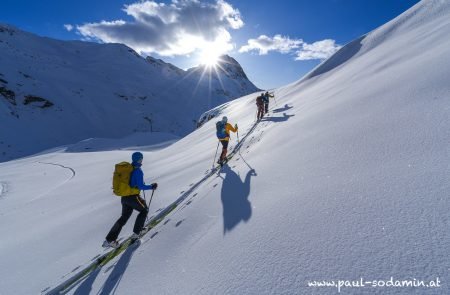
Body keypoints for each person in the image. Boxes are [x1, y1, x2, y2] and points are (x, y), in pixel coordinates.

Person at [103, 152, 157, 248]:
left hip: (124, 198)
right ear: (139, 159)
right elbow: (140, 186)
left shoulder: (129, 169)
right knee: (144, 210)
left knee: (123, 218)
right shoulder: (137, 171)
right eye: (141, 158)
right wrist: (152, 186)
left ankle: (109, 240)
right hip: (133, 196)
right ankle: (137, 232)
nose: (142, 160)